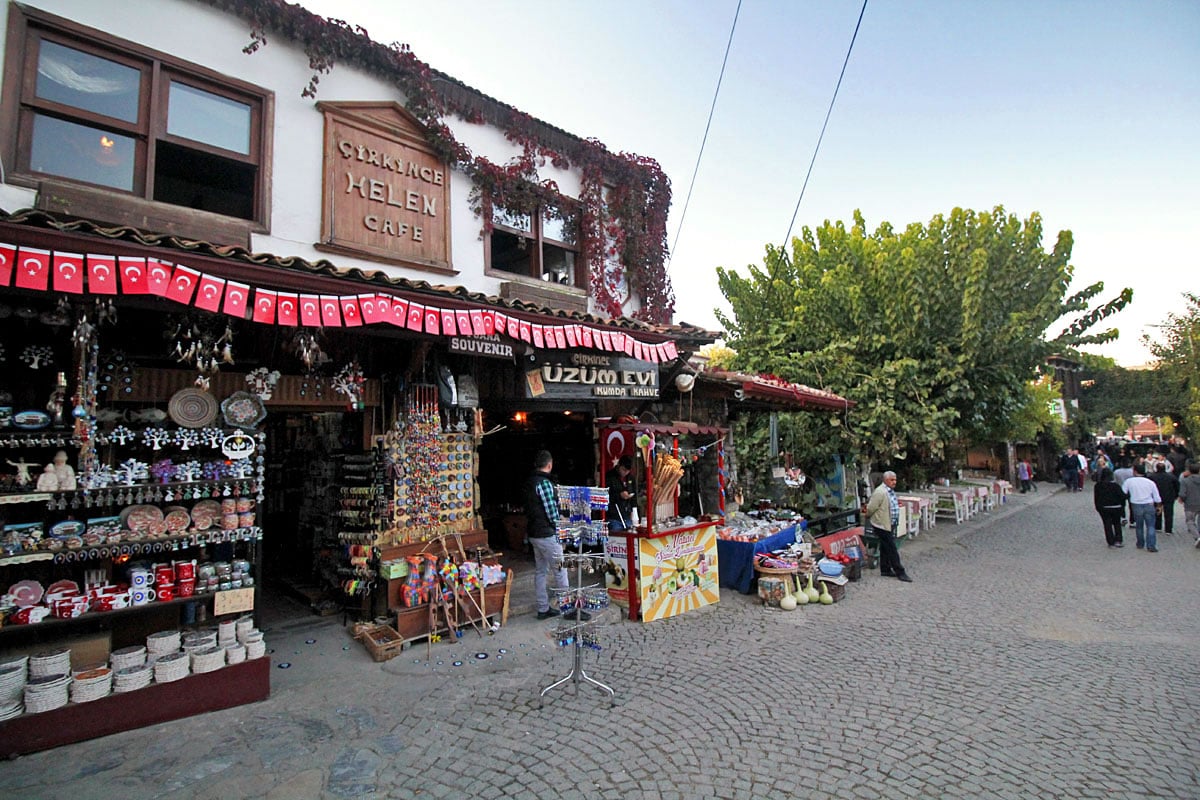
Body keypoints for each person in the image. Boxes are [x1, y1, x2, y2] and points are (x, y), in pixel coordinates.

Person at [524, 450, 569, 619]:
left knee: (541, 571)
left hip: (534, 533)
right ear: (549, 465)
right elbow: (551, 512)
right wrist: (560, 526)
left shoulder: (529, 482)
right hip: (547, 534)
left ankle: (543, 608)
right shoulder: (543, 483)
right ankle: (568, 608)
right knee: (560, 570)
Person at [862, 471, 911, 582]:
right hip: (881, 524)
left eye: (895, 480)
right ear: (885, 480)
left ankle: (885, 569)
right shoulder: (880, 492)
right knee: (892, 548)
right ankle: (900, 572)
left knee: (885, 547)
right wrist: (868, 515)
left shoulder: (889, 491)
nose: (894, 482)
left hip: (890, 523)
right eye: (892, 480)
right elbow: (871, 507)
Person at [1123, 463, 1163, 552]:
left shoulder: (1129, 481)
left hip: (1136, 504)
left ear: (1135, 471)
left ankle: (1140, 543)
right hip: (1149, 504)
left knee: (1139, 525)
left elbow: (1123, 492)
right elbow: (1157, 497)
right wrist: (1159, 506)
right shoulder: (1150, 482)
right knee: (1151, 525)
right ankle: (1151, 545)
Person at [1092, 468, 1125, 548]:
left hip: (1104, 507)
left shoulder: (1098, 486)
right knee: (1117, 524)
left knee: (1107, 524)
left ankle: (1110, 541)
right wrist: (1122, 507)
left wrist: (1098, 507)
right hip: (1116, 507)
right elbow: (1122, 497)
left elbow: (1097, 498)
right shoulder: (1115, 486)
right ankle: (1118, 540)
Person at [605, 455, 636, 533]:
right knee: (617, 539)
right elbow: (606, 496)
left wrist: (634, 511)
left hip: (627, 515)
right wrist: (619, 495)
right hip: (613, 515)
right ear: (619, 465)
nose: (625, 472)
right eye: (623, 469)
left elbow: (634, 495)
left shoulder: (630, 478)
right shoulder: (609, 476)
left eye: (628, 471)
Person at [1148, 462, 1179, 534]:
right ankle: (1168, 529)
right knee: (1169, 513)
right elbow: (1177, 486)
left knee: (1157, 512)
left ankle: (1158, 527)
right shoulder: (1171, 477)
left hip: (1156, 497)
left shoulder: (1152, 477)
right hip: (1169, 497)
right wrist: (1176, 495)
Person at [1177, 460, 1200, 547]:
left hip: (1190, 504)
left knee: (1190, 521)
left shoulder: (1185, 481)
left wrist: (1181, 499)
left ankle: (1197, 537)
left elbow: (1183, 493)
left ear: (1189, 471)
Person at [1112, 458, 1135, 526]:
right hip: (1130, 490)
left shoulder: (1117, 472)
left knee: (1121, 505)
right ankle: (1132, 520)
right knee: (1131, 505)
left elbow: (1114, 481)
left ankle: (1123, 517)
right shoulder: (1132, 471)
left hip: (1120, 489)